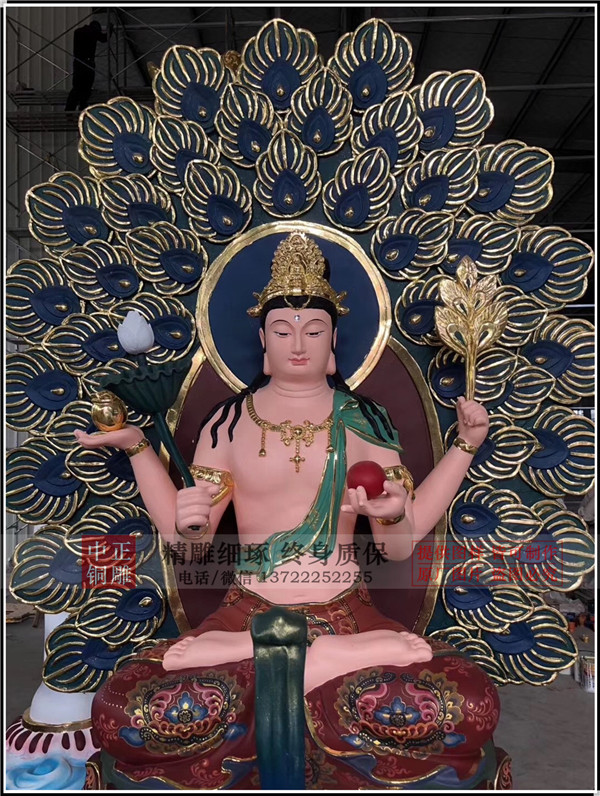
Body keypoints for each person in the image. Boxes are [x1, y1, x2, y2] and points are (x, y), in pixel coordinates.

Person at [75, 232, 500, 789]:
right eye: (282, 330)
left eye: (314, 330)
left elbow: (398, 546)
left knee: (469, 703)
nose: (298, 343)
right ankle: (320, 659)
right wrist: (146, 460)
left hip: (348, 610)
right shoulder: (227, 424)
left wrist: (412, 496)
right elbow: (189, 546)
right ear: (262, 339)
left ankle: (271, 655)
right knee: (122, 709)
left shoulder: (363, 420)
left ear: (334, 343)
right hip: (246, 607)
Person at [65, 19, 110, 112]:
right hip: (88, 63)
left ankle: (70, 109)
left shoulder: (78, 32)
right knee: (87, 87)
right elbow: (104, 39)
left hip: (78, 62)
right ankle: (82, 106)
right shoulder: (93, 32)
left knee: (77, 87)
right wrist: (111, 29)